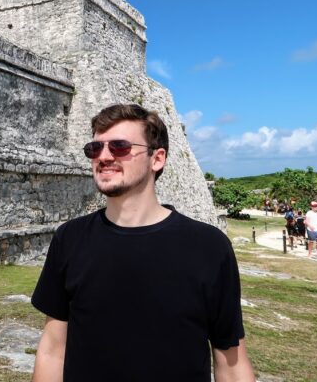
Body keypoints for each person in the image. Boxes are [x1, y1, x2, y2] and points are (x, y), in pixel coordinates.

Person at [30, 104, 254, 381]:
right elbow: (53, 350)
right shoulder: (70, 238)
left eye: (120, 147)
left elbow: (231, 362)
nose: (104, 156)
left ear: (157, 158)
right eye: (94, 148)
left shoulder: (209, 246)